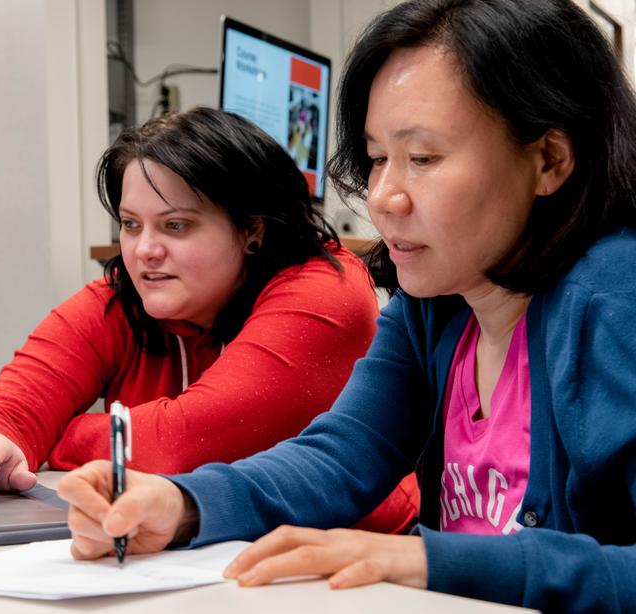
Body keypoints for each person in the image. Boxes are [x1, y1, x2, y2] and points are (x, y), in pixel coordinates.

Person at [56, 1, 636, 612]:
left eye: (423, 158)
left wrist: (427, 559)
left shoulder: (613, 302)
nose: (383, 198)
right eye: (378, 158)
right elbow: (340, 455)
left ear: (548, 159)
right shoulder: (434, 305)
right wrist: (183, 504)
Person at [0, 107, 419, 534]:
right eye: (131, 225)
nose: (145, 251)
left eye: (176, 225)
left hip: (351, 572)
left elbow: (183, 444)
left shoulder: (326, 290)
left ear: (252, 231)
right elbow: (8, 407)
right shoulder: (121, 299)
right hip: (196, 562)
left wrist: (54, 435)